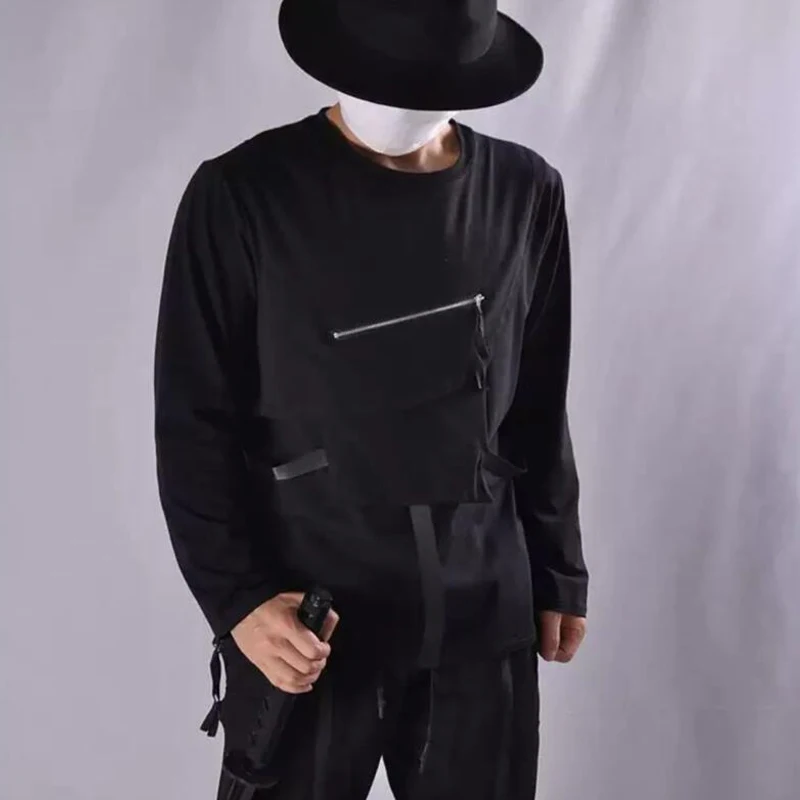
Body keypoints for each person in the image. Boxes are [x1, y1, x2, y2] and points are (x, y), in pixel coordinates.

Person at [153, 1, 589, 798]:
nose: (402, 99)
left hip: (479, 615)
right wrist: (239, 598)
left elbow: (536, 400)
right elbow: (192, 421)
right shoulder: (244, 195)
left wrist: (558, 567)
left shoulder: (524, 192)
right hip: (308, 621)